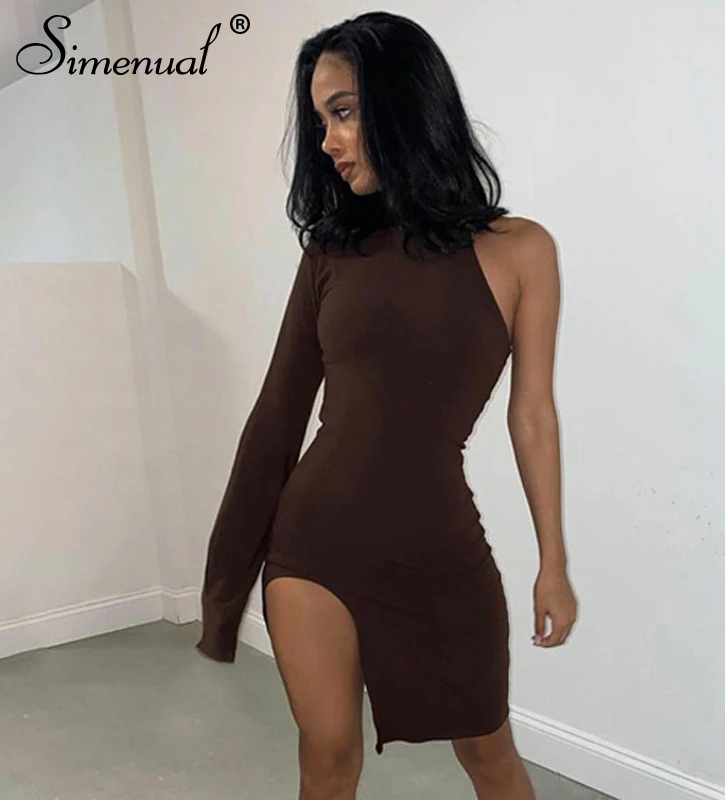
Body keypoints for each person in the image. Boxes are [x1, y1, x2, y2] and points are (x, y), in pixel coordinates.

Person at [196, 10, 577, 800]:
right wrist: (226, 577)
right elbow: (278, 413)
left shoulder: (522, 251)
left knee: (492, 759)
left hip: (438, 548)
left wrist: (554, 562)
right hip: (314, 546)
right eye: (319, 121)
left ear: (405, 103)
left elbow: (533, 416)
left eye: (343, 112)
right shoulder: (330, 252)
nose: (328, 142)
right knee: (328, 761)